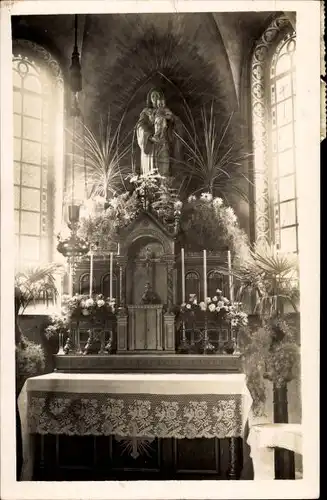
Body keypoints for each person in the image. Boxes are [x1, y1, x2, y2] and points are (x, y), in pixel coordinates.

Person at [136, 88, 175, 176]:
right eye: (153, 96)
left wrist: (171, 120)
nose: (155, 98)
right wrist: (149, 137)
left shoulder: (166, 111)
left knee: (163, 168)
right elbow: (140, 127)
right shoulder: (145, 112)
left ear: (161, 98)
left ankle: (164, 187)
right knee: (151, 172)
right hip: (150, 145)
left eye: (157, 96)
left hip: (163, 143)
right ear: (150, 98)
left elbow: (173, 125)